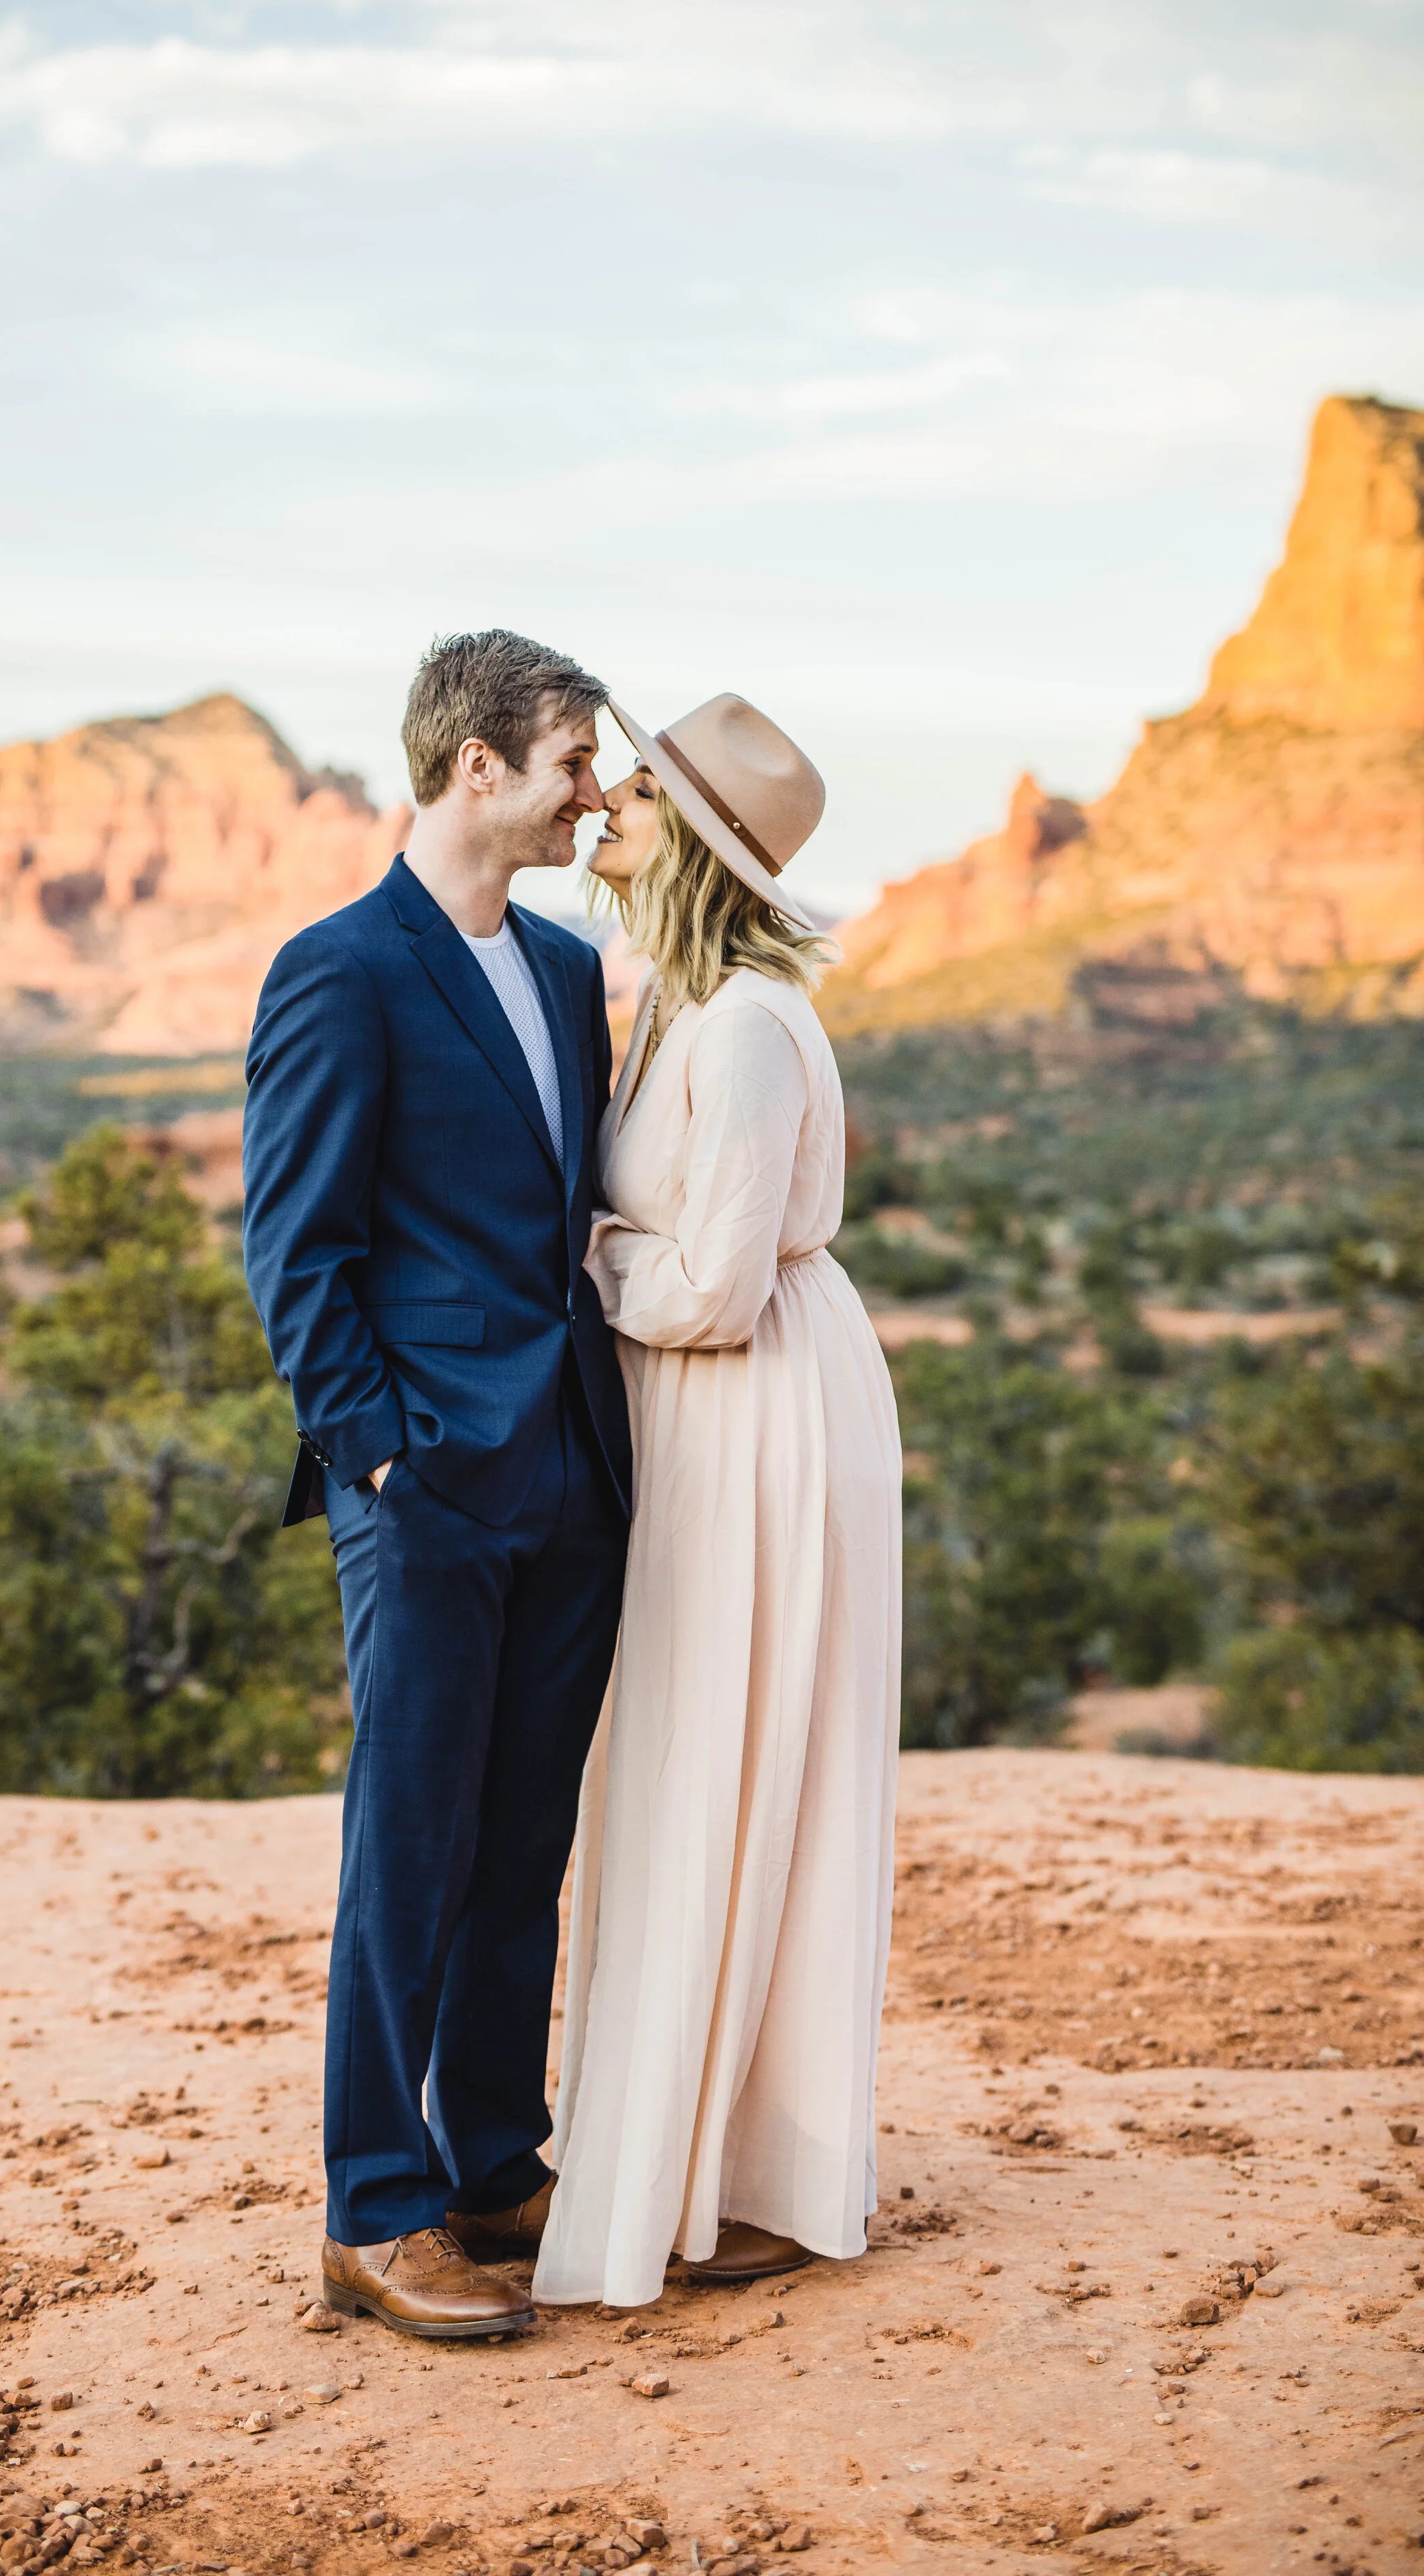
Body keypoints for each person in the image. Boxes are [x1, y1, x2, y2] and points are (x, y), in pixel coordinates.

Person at [242, 631, 633, 2339]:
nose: (591, 792)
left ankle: (488, 2162)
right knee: (410, 1845)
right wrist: (380, 1456)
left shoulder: (562, 971)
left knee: (523, 1840)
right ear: (477, 764)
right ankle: (374, 2208)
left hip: (568, 1473)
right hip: (422, 1490)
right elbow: (297, 1249)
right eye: (570, 761)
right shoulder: (338, 970)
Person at [533, 694, 903, 2310]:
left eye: (638, 791)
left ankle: (759, 2169)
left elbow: (709, 1286)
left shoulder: (745, 1027)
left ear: (692, 842)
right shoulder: (674, 1005)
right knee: (700, 1753)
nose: (606, 800)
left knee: (743, 1757)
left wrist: (581, 1265)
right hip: (702, 1413)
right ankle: (701, 2143)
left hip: (753, 1407)